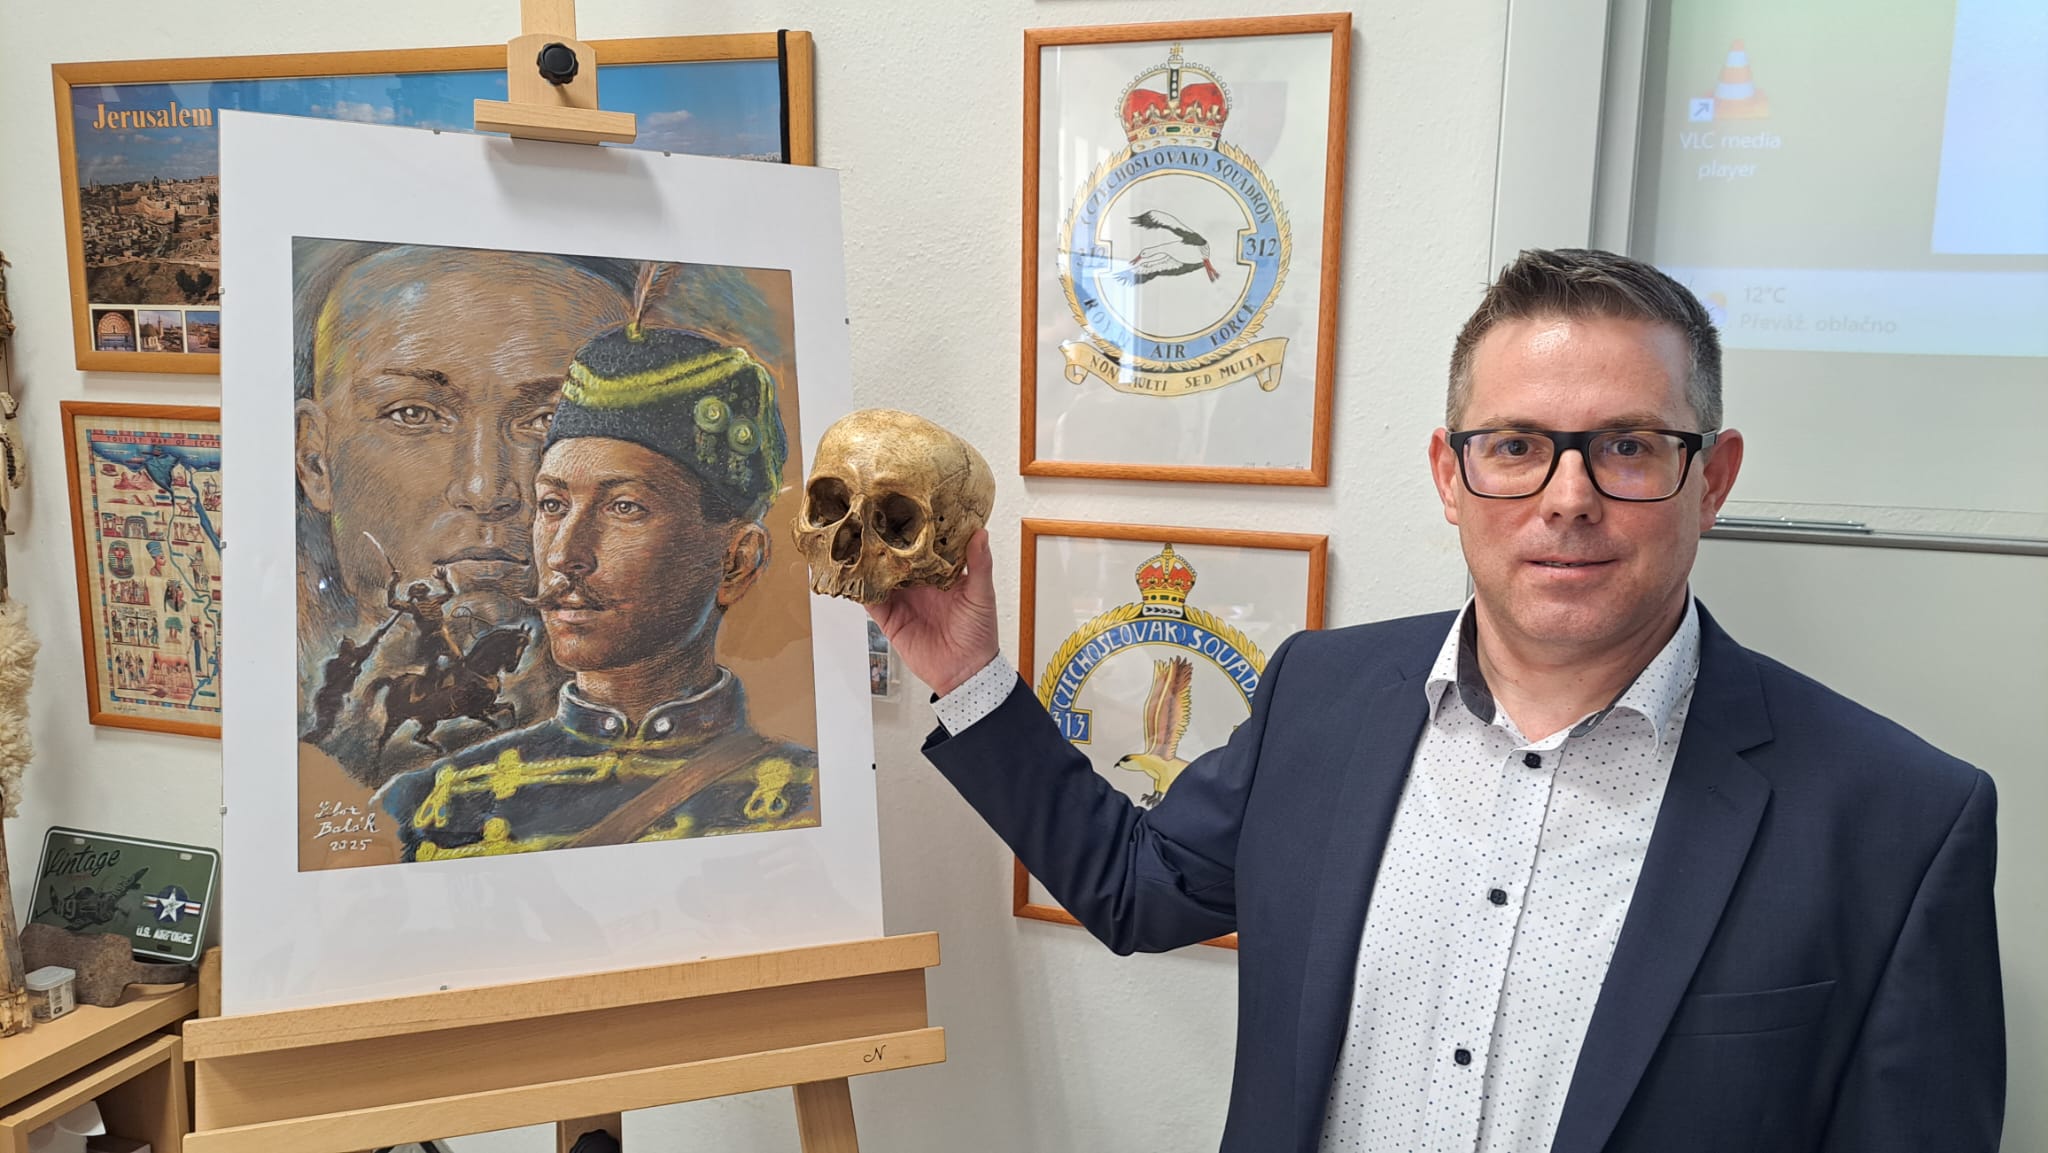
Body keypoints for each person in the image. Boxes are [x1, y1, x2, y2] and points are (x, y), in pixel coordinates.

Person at [874, 249, 2002, 1152]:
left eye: (1626, 445)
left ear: (1710, 478)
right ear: (1448, 474)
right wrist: (968, 675)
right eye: (1515, 445)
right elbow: (1136, 890)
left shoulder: (1896, 822)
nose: (1568, 498)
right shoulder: (1322, 697)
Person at [379, 311, 818, 861]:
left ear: (736, 562)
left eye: (625, 507)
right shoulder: (425, 807)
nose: (564, 554)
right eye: (553, 505)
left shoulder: (809, 796)